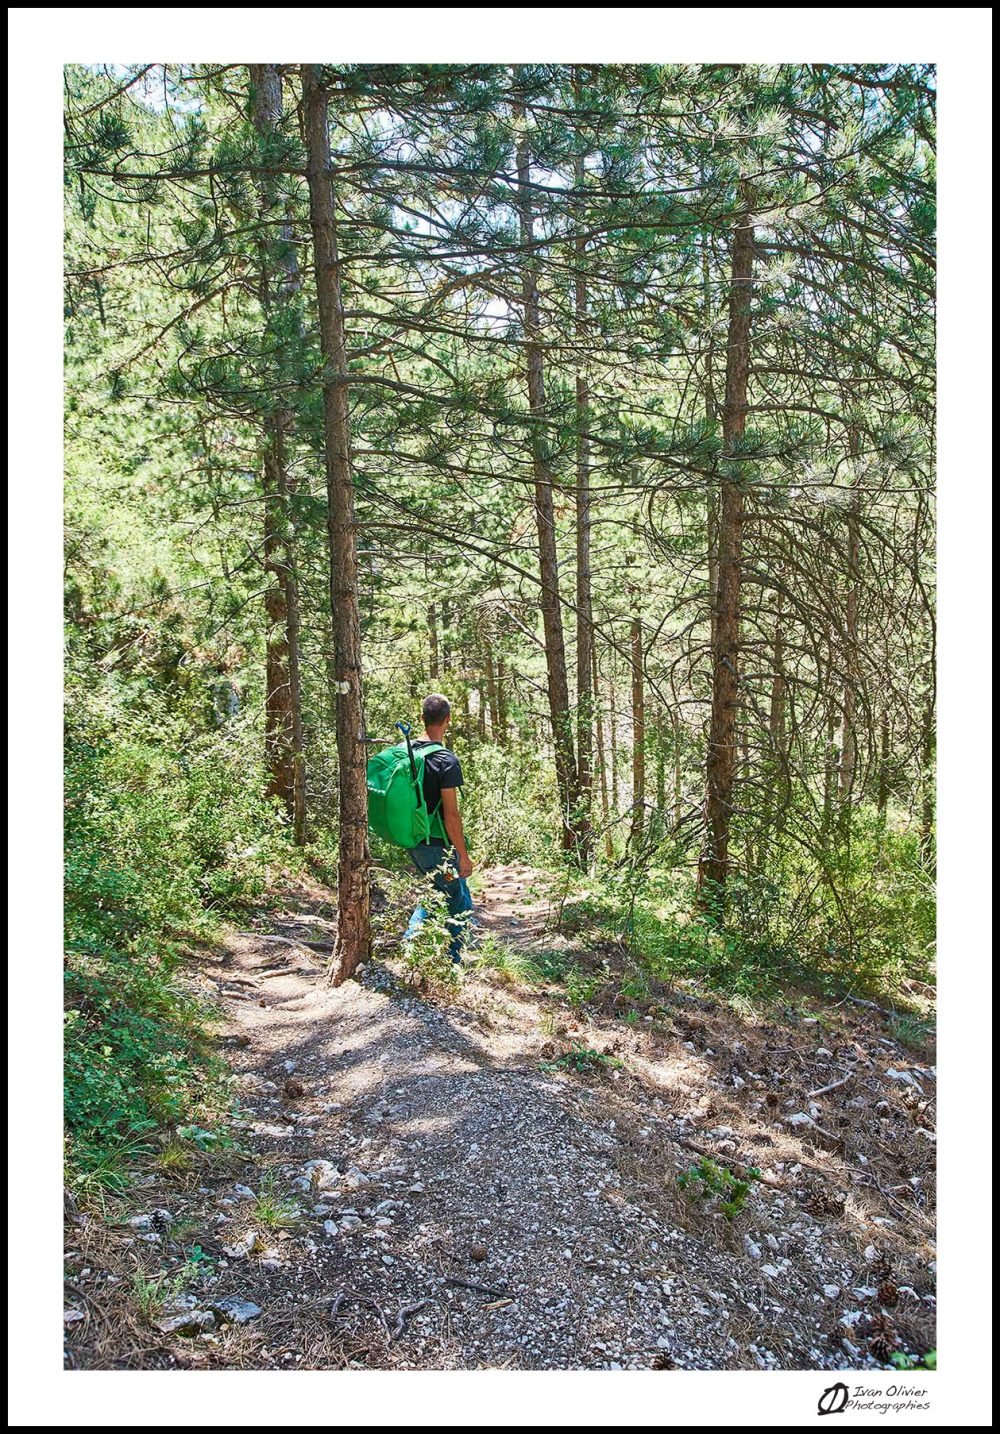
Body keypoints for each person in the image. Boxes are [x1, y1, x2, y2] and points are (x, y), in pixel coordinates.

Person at [402, 693, 474, 964]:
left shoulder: (406, 754)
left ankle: (418, 953)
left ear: (422, 718)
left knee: (436, 893)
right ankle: (449, 961)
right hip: (437, 843)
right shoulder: (445, 761)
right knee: (459, 903)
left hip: (412, 839)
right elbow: (451, 815)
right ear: (448, 720)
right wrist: (462, 854)